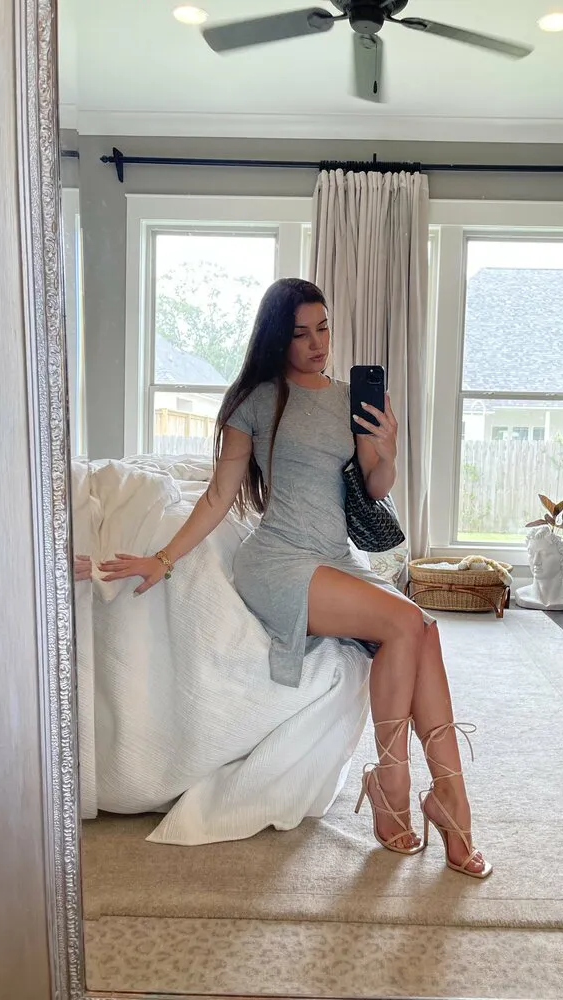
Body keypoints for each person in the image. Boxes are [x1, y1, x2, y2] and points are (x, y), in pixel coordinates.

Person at [98, 277, 490, 879]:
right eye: (301, 333)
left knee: (422, 631)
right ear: (278, 339)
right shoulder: (258, 401)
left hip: (336, 557)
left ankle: (448, 797)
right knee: (405, 622)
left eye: (323, 328)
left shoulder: (350, 398)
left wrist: (387, 449)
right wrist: (163, 558)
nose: (317, 343)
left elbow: (373, 490)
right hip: (279, 560)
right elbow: (218, 496)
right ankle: (394, 786)